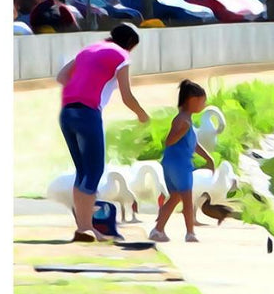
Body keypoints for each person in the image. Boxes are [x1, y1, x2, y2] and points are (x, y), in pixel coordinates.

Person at [57, 24, 150, 242]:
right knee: (94, 171)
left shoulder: (89, 50)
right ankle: (86, 227)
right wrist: (143, 115)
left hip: (67, 112)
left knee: (82, 172)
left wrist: (81, 85)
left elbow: (62, 76)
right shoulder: (121, 55)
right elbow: (127, 96)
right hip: (88, 114)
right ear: (130, 45)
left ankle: (83, 228)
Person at [149, 80, 215, 244]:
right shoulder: (181, 120)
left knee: (175, 198)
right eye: (202, 101)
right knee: (186, 199)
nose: (203, 105)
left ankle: (158, 230)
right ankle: (190, 233)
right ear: (191, 100)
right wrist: (182, 131)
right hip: (178, 165)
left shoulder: (187, 120)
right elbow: (169, 141)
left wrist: (208, 158)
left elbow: (192, 144)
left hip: (176, 164)